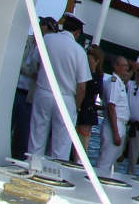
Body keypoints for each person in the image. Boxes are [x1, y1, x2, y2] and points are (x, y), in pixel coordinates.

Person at [26, 18, 91, 160]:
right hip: (66, 98)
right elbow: (82, 87)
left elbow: (34, 63)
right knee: (61, 145)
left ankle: (31, 167)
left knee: (37, 137)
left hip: (44, 90)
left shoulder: (48, 39)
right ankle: (55, 175)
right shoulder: (79, 51)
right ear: (77, 32)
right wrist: (77, 107)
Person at [10, 18, 53, 158]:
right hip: (15, 90)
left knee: (23, 132)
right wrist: (31, 71)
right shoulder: (25, 41)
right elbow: (17, 62)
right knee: (8, 124)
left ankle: (16, 159)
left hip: (30, 95)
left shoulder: (46, 48)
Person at [93, 55, 132, 174]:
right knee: (105, 160)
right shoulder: (113, 82)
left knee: (111, 161)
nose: (126, 68)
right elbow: (111, 106)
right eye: (124, 66)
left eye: (127, 66)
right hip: (114, 124)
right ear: (116, 66)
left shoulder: (119, 82)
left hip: (120, 124)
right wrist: (115, 132)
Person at [74, 44, 104, 161]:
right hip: (80, 108)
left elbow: (97, 91)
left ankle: (79, 163)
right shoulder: (82, 72)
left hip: (87, 112)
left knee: (82, 144)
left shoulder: (97, 77)